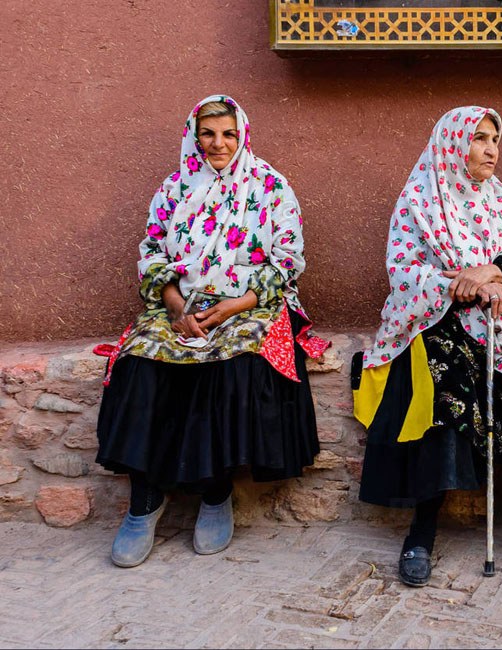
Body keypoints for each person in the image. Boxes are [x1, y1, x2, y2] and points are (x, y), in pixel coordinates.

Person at [96, 95, 328, 568]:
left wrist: (229, 309)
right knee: (139, 362)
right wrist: (178, 307)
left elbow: (287, 262)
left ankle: (215, 493)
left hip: (250, 302)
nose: (218, 143)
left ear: (241, 133)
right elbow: (152, 252)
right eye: (208, 133)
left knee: (229, 365)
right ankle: (144, 503)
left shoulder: (270, 186)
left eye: (227, 133)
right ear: (194, 135)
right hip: (180, 301)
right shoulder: (176, 186)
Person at [353, 106, 502, 587]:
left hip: (499, 320)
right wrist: (456, 285)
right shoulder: (419, 202)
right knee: (444, 390)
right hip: (437, 320)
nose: (491, 149)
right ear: (453, 143)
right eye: (480, 139)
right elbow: (402, 272)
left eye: (495, 140)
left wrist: (489, 273)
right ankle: (421, 533)